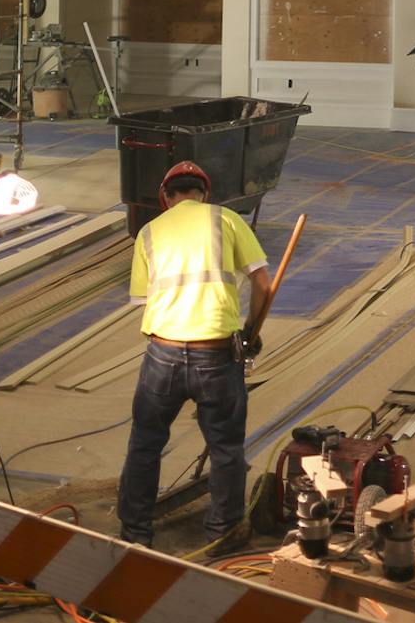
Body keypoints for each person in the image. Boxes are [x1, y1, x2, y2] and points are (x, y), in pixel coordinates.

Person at [117, 161, 271, 550]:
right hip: (216, 355)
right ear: (204, 194)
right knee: (225, 448)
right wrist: (251, 332)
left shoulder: (148, 232)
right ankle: (222, 535)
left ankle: (135, 532)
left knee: (145, 443)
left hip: (163, 354)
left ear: (167, 198)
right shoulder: (227, 220)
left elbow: (144, 300)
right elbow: (263, 284)